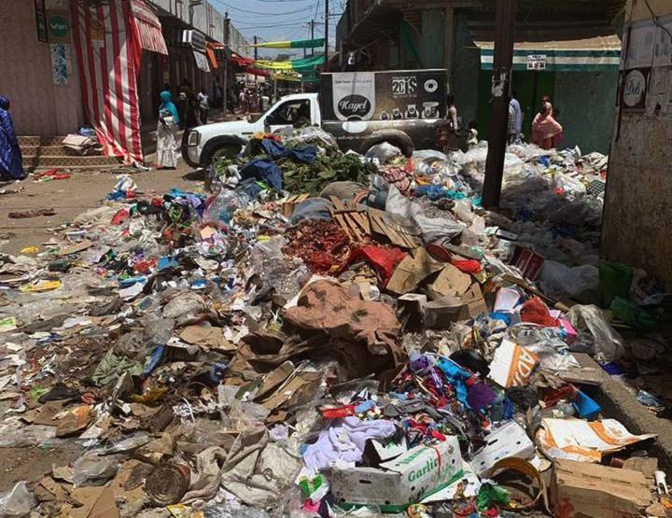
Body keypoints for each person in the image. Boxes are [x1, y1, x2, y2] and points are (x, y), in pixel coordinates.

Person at [0, 96, 26, 181]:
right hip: (4, 137)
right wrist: (13, 140)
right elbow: (9, 127)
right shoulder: (4, 113)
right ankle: (16, 174)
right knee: (10, 154)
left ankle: (5, 174)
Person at [156, 91, 179, 169]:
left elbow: (174, 118)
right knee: (162, 145)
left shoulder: (171, 106)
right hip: (161, 129)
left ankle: (172, 164)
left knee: (170, 145)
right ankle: (163, 163)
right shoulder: (162, 105)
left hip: (169, 129)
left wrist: (165, 120)